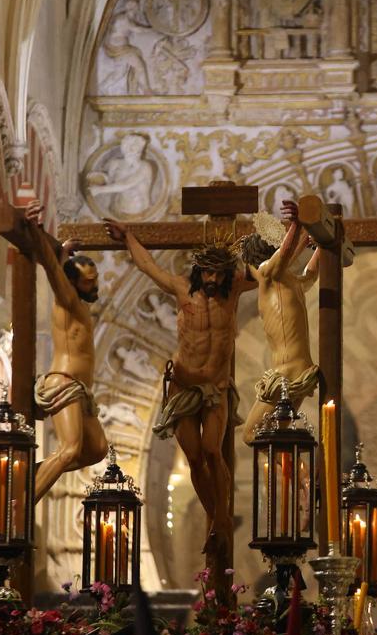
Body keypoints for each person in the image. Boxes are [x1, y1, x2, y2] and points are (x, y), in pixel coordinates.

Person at [103, 218, 256, 549]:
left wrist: (293, 233)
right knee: (194, 458)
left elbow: (268, 270)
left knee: (214, 451)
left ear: (227, 273)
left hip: (215, 388)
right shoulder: (181, 289)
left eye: (219, 273)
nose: (213, 280)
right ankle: (216, 517)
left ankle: (221, 518)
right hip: (183, 385)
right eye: (208, 273)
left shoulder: (235, 290)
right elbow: (147, 266)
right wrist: (128, 237)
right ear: (199, 270)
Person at [24, 200, 109, 501]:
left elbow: (57, 266)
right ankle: (22, 505)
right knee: (70, 448)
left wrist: (62, 253)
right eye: (89, 282)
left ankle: (31, 473)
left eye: (95, 280)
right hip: (64, 383)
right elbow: (50, 268)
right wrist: (35, 229)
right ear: (73, 283)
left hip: (81, 389)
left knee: (97, 449)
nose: (94, 286)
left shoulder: (76, 301)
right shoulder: (68, 300)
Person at [240, 202, 320, 444]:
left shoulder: (265, 271)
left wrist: (297, 224)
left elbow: (283, 255)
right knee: (280, 437)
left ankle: (301, 479)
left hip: (284, 374)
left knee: (250, 435)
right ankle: (302, 481)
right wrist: (320, 247)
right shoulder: (292, 283)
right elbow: (310, 273)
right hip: (302, 370)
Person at [87, 132, 154, 217]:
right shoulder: (116, 163)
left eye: (136, 148)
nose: (133, 151)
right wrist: (100, 177)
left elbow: (126, 184)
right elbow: (111, 182)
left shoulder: (145, 167)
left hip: (138, 210)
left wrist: (100, 189)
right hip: (117, 207)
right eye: (130, 147)